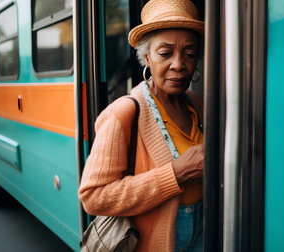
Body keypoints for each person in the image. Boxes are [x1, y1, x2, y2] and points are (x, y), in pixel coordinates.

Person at [78, 0, 205, 251]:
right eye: (166, 53)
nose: (179, 64)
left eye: (189, 54)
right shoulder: (125, 112)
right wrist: (176, 174)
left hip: (203, 229)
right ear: (147, 57)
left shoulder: (196, 104)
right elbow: (93, 197)